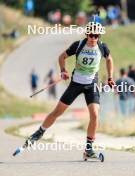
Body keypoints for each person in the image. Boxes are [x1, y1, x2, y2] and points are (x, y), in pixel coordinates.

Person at [24, 18, 115, 159]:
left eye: (96, 36)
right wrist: (63, 71)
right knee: (57, 112)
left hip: (91, 85)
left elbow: (109, 59)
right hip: (76, 84)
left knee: (95, 115)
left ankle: (89, 149)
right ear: (87, 34)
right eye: (91, 35)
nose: (93, 38)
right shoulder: (78, 45)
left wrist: (110, 77)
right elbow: (62, 57)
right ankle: (39, 132)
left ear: (99, 36)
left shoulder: (103, 47)